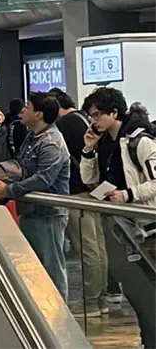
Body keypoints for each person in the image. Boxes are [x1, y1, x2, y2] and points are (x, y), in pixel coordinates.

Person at [81, 87, 156, 347]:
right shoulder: (104, 142)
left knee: (148, 290)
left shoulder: (140, 141)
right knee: (137, 292)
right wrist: (88, 151)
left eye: (97, 114)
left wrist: (129, 195)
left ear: (114, 113)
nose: (93, 120)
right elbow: (89, 180)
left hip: (146, 225)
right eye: (91, 115)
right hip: (121, 226)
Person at [0, 92, 70, 299]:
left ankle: (59, 318)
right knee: (36, 267)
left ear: (39, 114)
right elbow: (22, 167)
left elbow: (44, 179)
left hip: (48, 214)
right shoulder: (32, 137)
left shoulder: (51, 142)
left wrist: (9, 190)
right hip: (31, 212)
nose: (22, 111)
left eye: (28, 107)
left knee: (52, 268)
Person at [49, 87, 105, 316]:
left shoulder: (64, 125)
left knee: (87, 247)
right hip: (92, 191)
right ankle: (101, 298)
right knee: (97, 246)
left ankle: (92, 301)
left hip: (76, 192)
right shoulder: (81, 119)